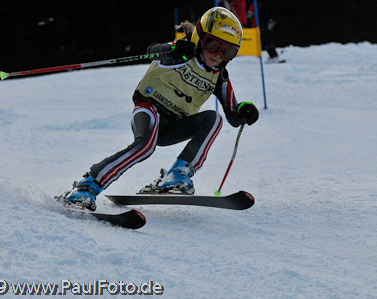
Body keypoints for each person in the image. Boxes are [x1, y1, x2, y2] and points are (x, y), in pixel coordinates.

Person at [56, 7, 259, 211]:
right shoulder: (181, 53)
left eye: (229, 51)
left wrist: (244, 111)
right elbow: (152, 50)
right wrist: (175, 50)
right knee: (145, 146)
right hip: (149, 109)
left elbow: (233, 115)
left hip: (175, 125)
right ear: (200, 37)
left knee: (214, 119)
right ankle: (86, 187)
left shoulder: (220, 76)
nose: (219, 55)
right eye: (214, 46)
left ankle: (177, 176)